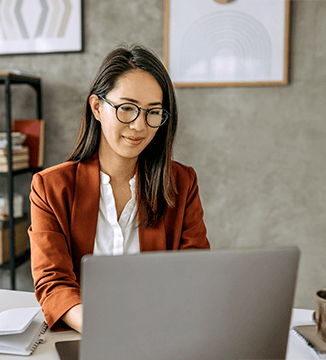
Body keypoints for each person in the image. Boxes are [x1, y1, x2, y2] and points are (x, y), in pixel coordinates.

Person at [28, 45, 210, 332]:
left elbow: (195, 274)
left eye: (153, 112)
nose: (139, 125)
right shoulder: (51, 187)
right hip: (88, 336)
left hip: (161, 333)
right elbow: (53, 283)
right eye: (127, 108)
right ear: (97, 107)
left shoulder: (181, 183)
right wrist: (104, 330)